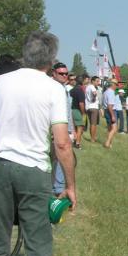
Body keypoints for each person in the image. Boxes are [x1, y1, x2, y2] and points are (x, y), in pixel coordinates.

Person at [0, 31, 77, 256]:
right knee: (38, 247)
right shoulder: (53, 89)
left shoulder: (0, 83)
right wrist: (69, 185)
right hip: (34, 170)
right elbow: (62, 144)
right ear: (51, 60)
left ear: (25, 54)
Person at [50, 63, 75, 196]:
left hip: (66, 130)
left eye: (66, 73)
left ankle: (57, 187)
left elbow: (67, 112)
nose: (64, 76)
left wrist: (72, 130)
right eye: (61, 73)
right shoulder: (51, 88)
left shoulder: (64, 89)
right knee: (56, 161)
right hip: (56, 131)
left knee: (62, 161)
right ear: (53, 73)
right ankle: (57, 189)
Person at [69, 75, 86, 148]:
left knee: (76, 127)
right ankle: (77, 144)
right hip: (77, 110)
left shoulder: (72, 89)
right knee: (80, 127)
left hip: (72, 109)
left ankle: (75, 141)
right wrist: (83, 113)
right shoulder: (80, 90)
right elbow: (81, 103)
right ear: (82, 81)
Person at [102, 79, 118, 149]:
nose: (116, 87)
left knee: (110, 128)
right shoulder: (111, 92)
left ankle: (110, 144)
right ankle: (107, 142)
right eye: (116, 85)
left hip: (106, 110)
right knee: (114, 129)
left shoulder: (105, 92)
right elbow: (110, 105)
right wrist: (112, 116)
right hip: (110, 111)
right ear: (113, 84)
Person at [85, 76, 101, 142]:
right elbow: (94, 93)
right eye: (97, 81)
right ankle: (93, 138)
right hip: (94, 107)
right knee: (93, 124)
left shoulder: (88, 87)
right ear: (92, 81)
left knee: (91, 123)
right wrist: (94, 97)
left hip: (88, 107)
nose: (98, 82)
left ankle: (92, 137)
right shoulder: (92, 87)